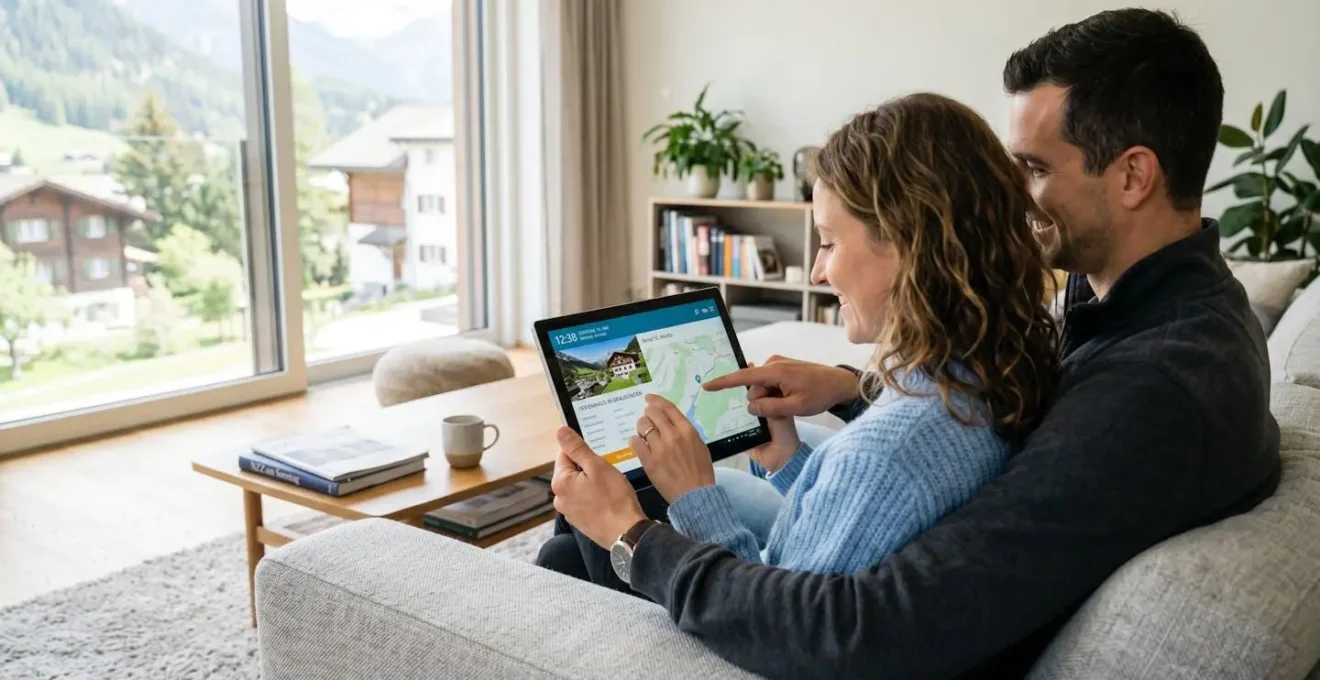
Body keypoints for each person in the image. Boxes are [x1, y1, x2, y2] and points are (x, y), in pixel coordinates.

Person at [548, 8, 1281, 679]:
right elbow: (964, 430)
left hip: (814, 628)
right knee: (591, 516)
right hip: (837, 536)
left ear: (1133, 175)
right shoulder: (1135, 305)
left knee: (589, 525)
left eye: (1032, 169)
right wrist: (856, 387)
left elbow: (853, 624)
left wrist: (637, 540)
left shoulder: (1153, 391)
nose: (1010, 199)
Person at [539, 93, 1060, 584]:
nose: (816, 271)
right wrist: (787, 460)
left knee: (583, 520)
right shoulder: (991, 366)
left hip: (733, 622)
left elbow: (768, 616)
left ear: (909, 244)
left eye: (829, 243)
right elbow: (849, 528)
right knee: (565, 552)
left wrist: (686, 500)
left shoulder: (889, 453)